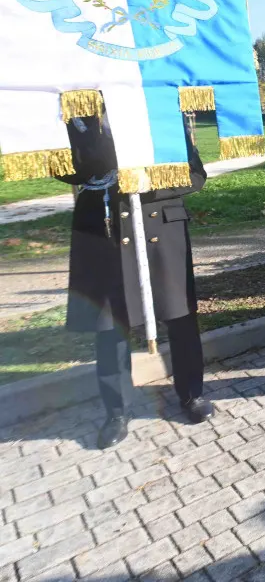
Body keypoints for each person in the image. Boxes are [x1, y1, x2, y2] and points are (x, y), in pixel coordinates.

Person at [57, 111, 210, 449]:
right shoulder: (78, 114)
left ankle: (191, 394)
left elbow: (196, 175)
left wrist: (149, 182)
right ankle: (117, 411)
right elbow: (61, 168)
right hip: (106, 229)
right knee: (110, 324)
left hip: (160, 226)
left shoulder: (156, 108)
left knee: (181, 318)